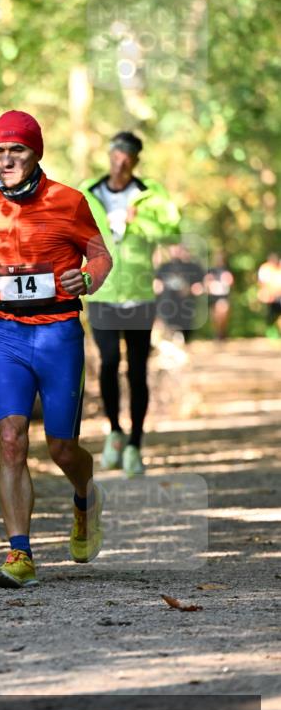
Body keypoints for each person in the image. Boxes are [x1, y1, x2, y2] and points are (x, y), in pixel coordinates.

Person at [0, 110, 112, 589]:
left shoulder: (69, 201)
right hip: (8, 335)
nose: (6, 159)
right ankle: (19, 554)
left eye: (16, 150)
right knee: (10, 441)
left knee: (62, 448)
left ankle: (86, 499)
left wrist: (85, 279)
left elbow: (100, 254)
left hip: (58, 334)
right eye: (0, 150)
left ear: (35, 152)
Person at [80, 132, 181, 476]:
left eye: (129, 155)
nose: (122, 160)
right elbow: (71, 230)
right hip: (102, 291)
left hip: (139, 293)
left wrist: (141, 220)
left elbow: (173, 232)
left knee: (136, 370)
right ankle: (116, 433)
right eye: (117, 153)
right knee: (108, 363)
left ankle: (136, 444)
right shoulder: (88, 192)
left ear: (136, 160)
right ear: (109, 155)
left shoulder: (150, 193)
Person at [154, 243, 206, 344]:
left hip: (186, 309)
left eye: (178, 248)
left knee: (185, 337)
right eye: (173, 248)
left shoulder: (194, 267)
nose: (176, 251)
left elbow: (202, 285)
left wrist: (190, 289)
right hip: (167, 308)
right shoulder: (164, 267)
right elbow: (156, 284)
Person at [205, 250, 234, 341]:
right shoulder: (211, 270)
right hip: (213, 297)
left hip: (223, 297)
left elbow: (231, 282)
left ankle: (222, 333)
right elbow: (206, 282)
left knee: (223, 314)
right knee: (215, 317)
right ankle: (218, 333)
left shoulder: (226, 270)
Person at [257, 251, 281, 338]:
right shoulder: (265, 268)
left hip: (279, 295)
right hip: (270, 296)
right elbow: (262, 283)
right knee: (271, 315)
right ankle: (272, 334)